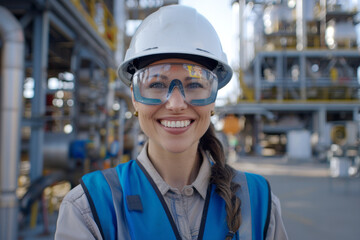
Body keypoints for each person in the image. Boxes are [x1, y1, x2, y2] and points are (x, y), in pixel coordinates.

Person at [55, 4, 288, 240]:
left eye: (195, 84)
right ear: (135, 97)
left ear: (213, 99)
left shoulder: (259, 203)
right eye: (156, 84)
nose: (176, 104)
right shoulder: (89, 208)